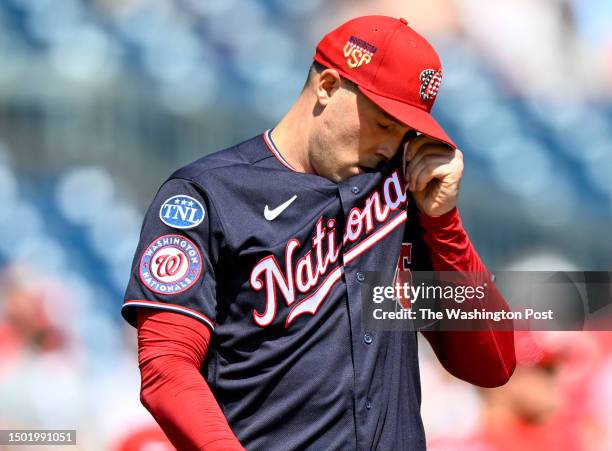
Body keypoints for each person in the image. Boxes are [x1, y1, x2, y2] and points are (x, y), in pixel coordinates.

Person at [121, 15, 515, 451]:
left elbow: (492, 364)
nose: (390, 145)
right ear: (327, 86)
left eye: (405, 131)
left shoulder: (401, 189)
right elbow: (167, 368)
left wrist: (443, 222)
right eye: (384, 123)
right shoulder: (208, 196)